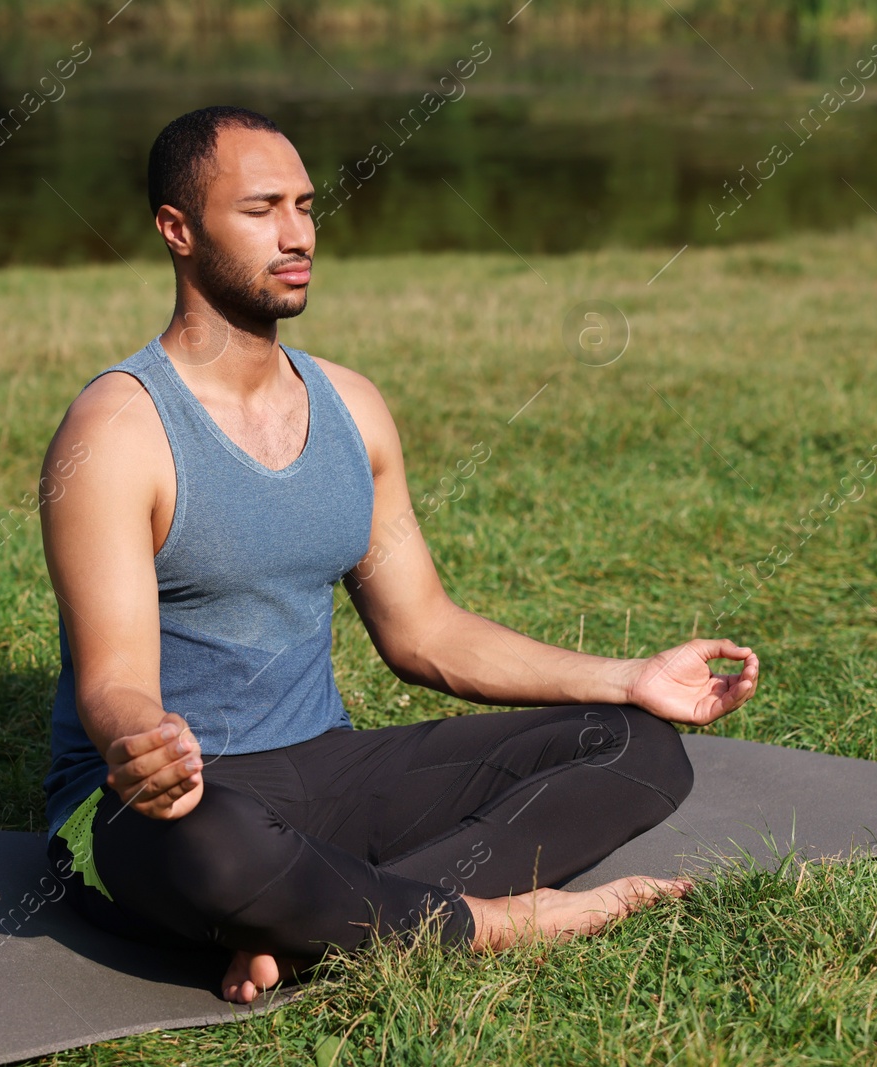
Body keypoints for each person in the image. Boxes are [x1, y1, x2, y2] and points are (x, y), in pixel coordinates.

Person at [38, 105, 760, 1005]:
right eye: (261, 209)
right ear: (177, 230)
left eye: (306, 206)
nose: (298, 234)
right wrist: (138, 743)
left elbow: (425, 632)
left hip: (323, 768)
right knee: (213, 844)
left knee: (637, 749)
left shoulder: (352, 408)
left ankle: (319, 924)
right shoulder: (117, 430)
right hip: (167, 801)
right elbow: (113, 682)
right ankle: (488, 921)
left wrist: (630, 675)